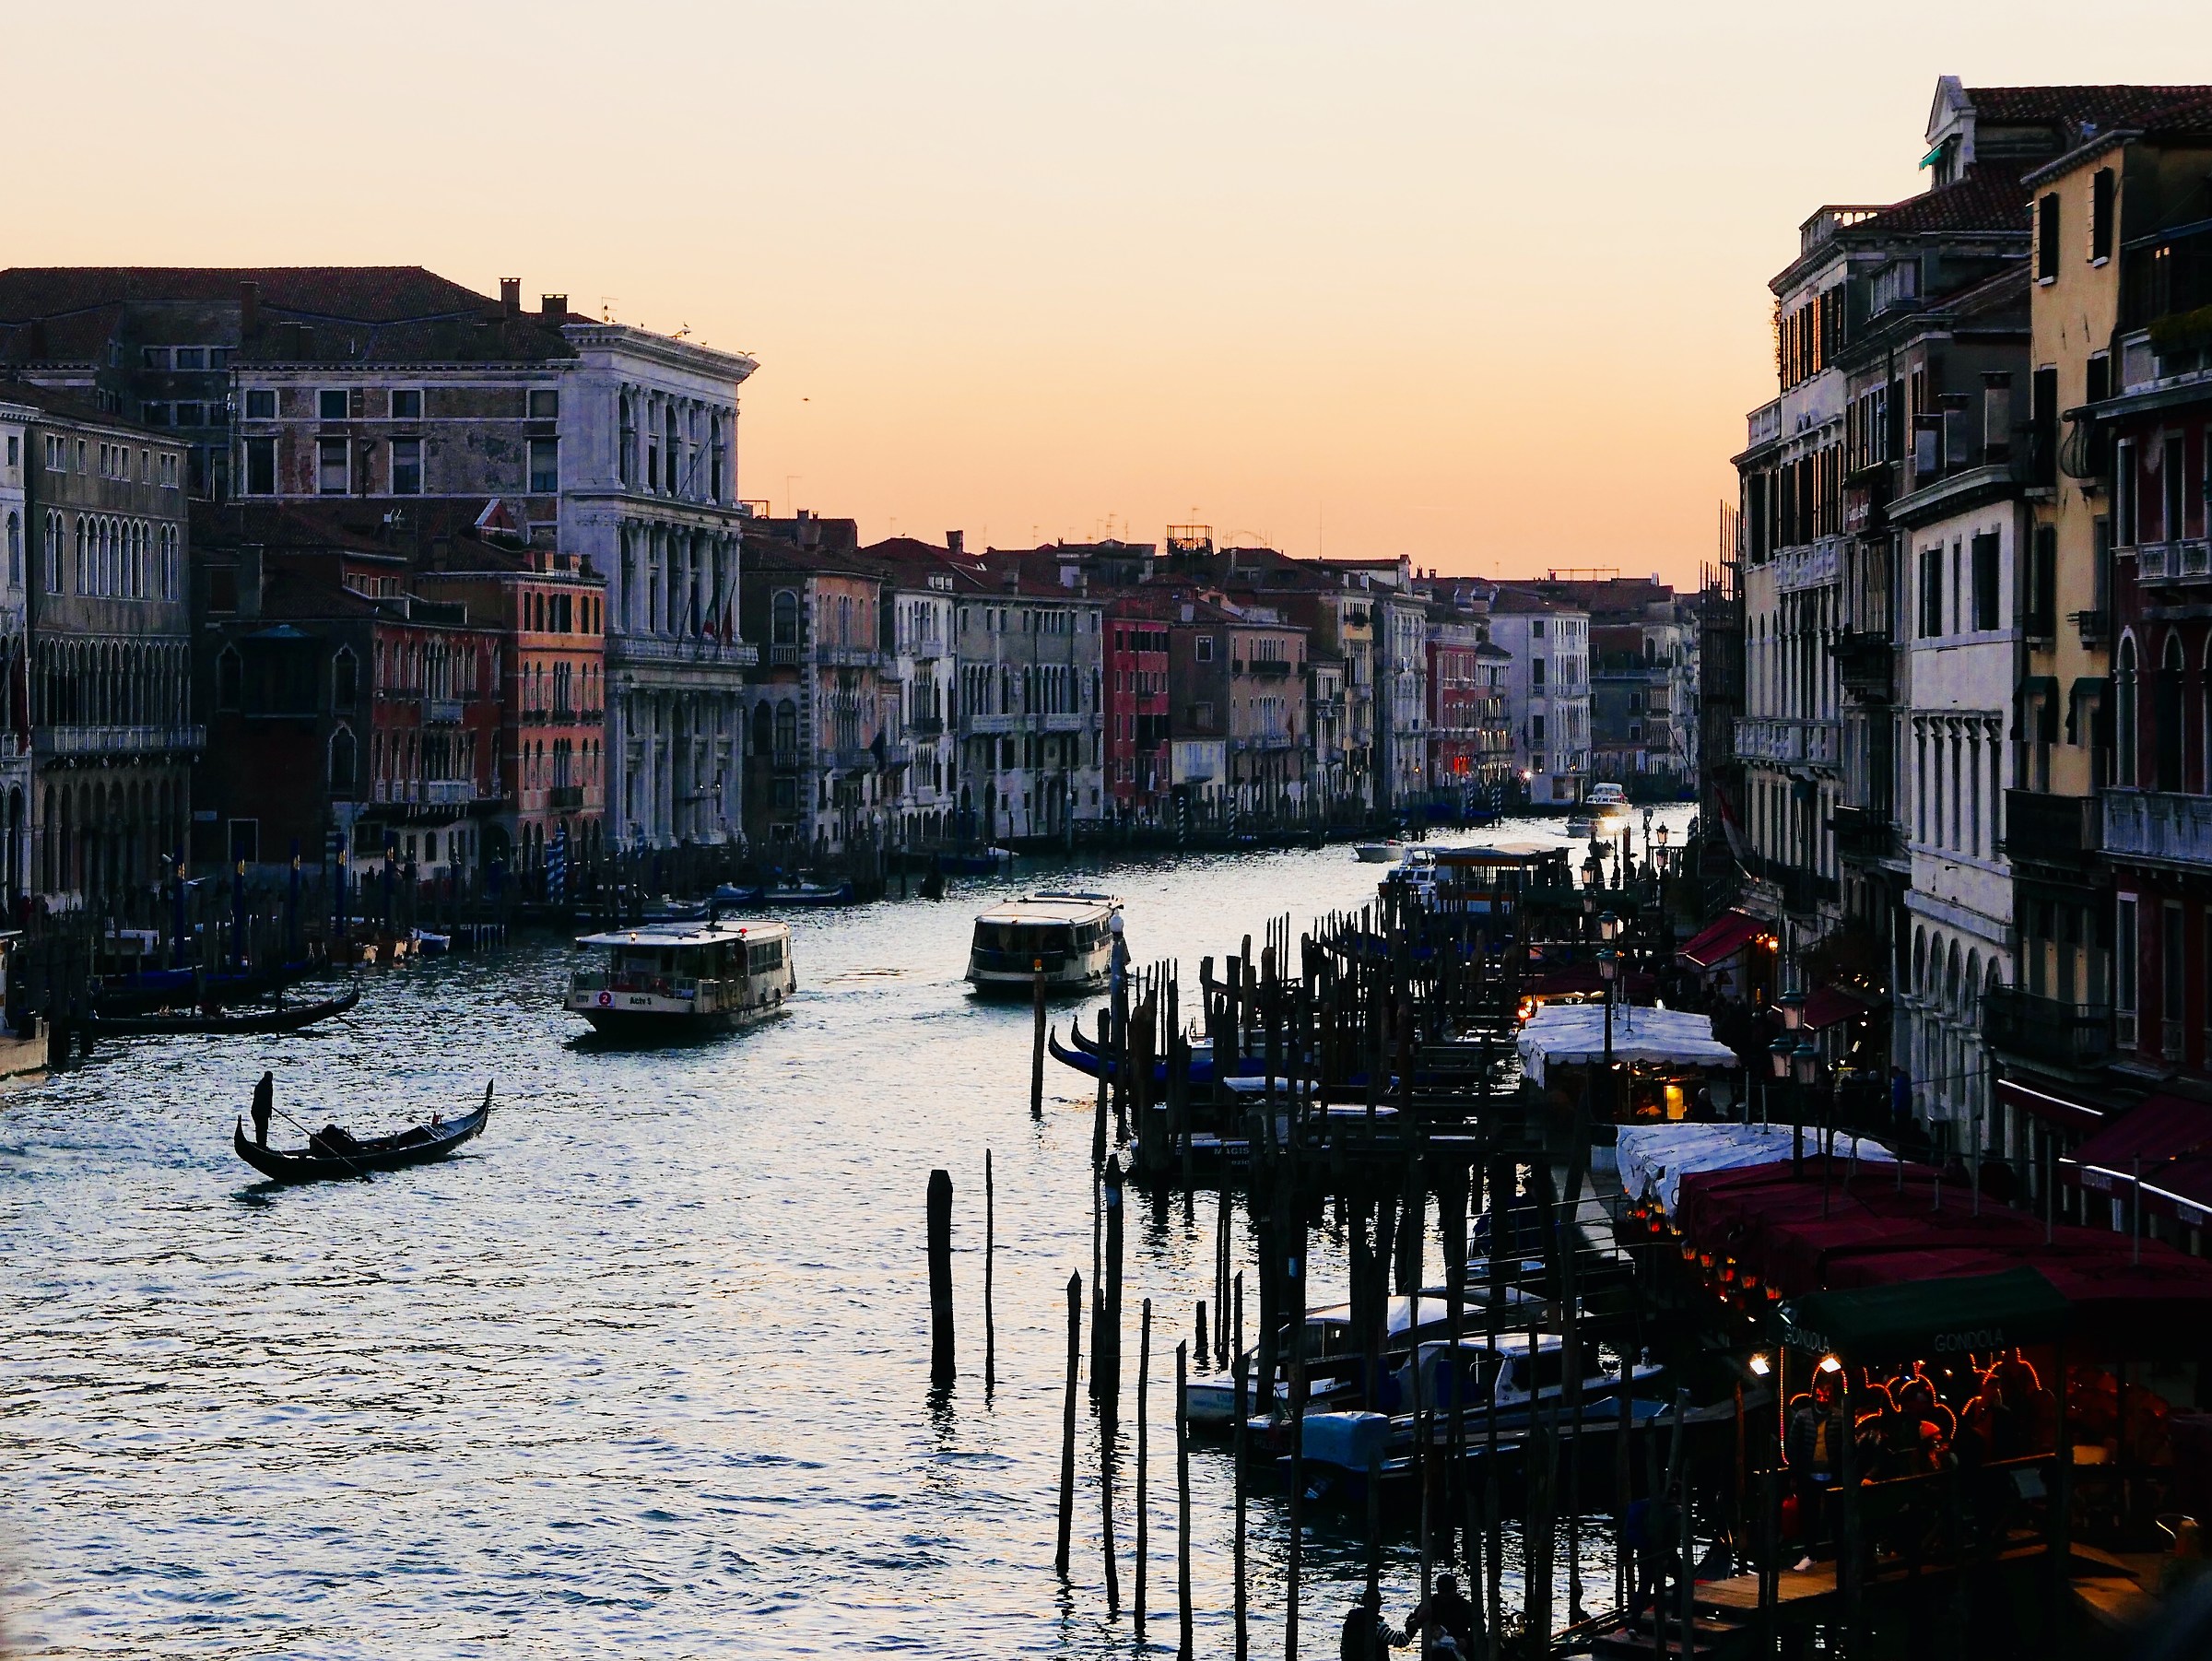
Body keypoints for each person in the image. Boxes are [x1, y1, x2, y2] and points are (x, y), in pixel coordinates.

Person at [1403, 1572, 1479, 1658]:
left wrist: (1466, 1640)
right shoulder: (1430, 1604)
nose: (1445, 1595)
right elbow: (1410, 1622)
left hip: (1459, 1648)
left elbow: (1478, 1628)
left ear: (1455, 1590)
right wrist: (1419, 1621)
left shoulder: (1464, 1605)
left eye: (1448, 1592)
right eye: (1442, 1592)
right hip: (1436, 1650)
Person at [1340, 1587, 1406, 1661]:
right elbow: (1401, 1641)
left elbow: (1343, 1651)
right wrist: (1414, 1625)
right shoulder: (1377, 1626)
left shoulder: (1350, 1623)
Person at [251, 1070, 275, 1148]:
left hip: (256, 1111)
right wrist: (269, 1112)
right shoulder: (267, 1085)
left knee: (260, 1128)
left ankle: (260, 1144)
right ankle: (262, 1145)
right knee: (262, 1128)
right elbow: (268, 1100)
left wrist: (269, 1111)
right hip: (261, 1112)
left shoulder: (260, 1084)